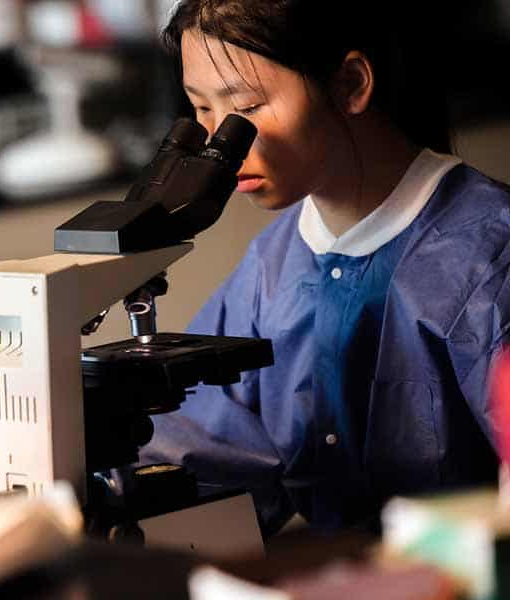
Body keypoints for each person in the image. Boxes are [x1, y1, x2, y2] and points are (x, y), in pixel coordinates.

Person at [139, 0, 510, 537]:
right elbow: (205, 454)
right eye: (202, 110)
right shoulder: (271, 267)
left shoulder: (487, 256)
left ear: (351, 85)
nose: (223, 141)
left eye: (246, 105)